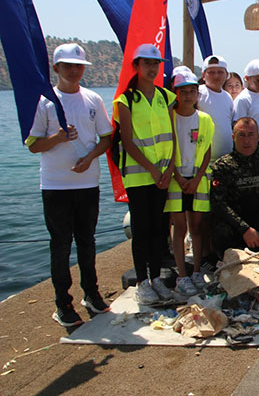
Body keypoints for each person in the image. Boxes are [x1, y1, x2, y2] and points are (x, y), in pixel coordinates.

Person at [27, 43, 113, 326]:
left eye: (78, 66)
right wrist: (58, 138)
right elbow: (33, 145)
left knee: (87, 242)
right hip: (56, 186)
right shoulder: (44, 102)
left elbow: (106, 138)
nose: (74, 71)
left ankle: (91, 293)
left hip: (88, 184)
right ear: (56, 69)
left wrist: (89, 158)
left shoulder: (92, 100)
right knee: (61, 245)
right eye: (68, 66)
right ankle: (63, 303)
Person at [113, 44, 176, 305]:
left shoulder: (165, 97)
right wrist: (153, 169)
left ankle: (156, 278)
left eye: (156, 63)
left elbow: (171, 135)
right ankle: (142, 281)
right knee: (142, 229)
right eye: (147, 63)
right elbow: (127, 141)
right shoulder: (125, 100)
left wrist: (169, 168)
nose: (152, 68)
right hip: (140, 176)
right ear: (136, 66)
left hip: (163, 175)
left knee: (159, 229)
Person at [165, 71, 214, 297]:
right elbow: (167, 149)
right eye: (183, 91)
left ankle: (196, 271)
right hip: (176, 181)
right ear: (176, 93)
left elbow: (207, 152)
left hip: (198, 180)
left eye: (192, 91)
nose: (187, 95)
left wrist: (196, 179)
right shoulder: (169, 118)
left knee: (196, 227)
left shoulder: (204, 119)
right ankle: (182, 274)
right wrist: (178, 176)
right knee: (179, 227)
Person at [210, 117, 259, 257]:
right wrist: (244, 229)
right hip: (235, 230)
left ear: (258, 136)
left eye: (251, 135)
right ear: (233, 137)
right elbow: (218, 203)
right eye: (241, 135)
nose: (246, 140)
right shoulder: (223, 166)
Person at [198, 55, 233, 161]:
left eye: (220, 72)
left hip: (226, 159)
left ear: (226, 75)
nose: (216, 76)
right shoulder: (198, 93)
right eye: (211, 72)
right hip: (203, 160)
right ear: (203, 75)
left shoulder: (228, 97)